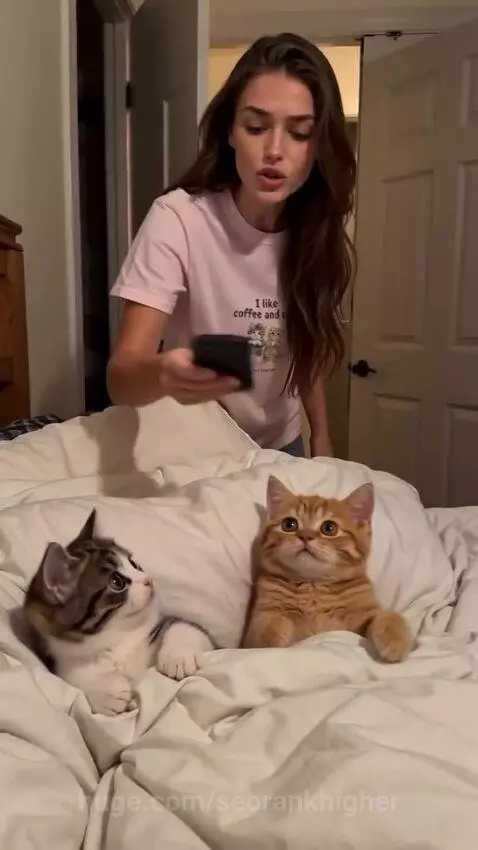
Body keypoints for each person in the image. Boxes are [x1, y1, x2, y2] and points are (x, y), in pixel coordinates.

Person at [107, 33, 356, 457]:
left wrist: (323, 437)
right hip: (196, 446)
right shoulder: (178, 219)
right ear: (230, 132)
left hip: (283, 443)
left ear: (318, 147)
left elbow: (307, 343)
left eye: (299, 133)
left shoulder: (317, 229)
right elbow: (121, 378)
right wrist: (164, 372)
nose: (274, 150)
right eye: (256, 127)